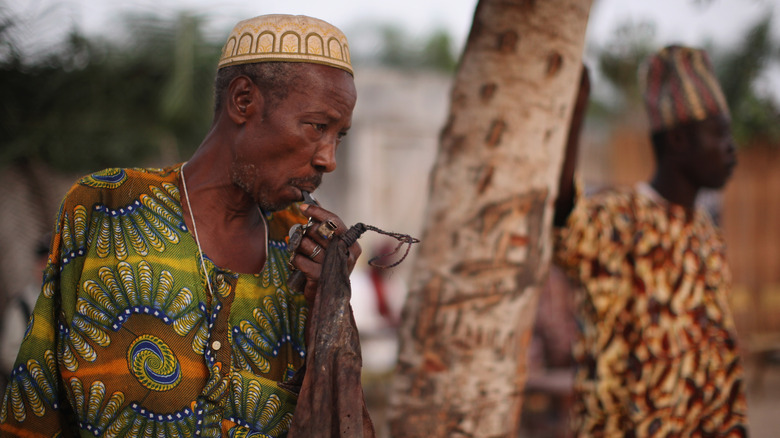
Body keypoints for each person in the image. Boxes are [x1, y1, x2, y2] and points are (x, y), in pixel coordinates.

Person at [0, 14, 360, 437]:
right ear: (243, 100)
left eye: (339, 137)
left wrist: (329, 303)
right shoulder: (107, 208)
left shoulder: (304, 251)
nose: (328, 160)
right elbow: (36, 401)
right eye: (318, 127)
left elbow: (330, 421)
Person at [553, 46, 748, 436]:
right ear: (677, 139)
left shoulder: (706, 232)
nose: (732, 148)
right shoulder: (623, 217)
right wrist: (572, 118)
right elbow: (565, 228)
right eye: (719, 133)